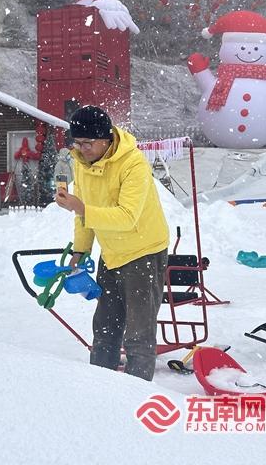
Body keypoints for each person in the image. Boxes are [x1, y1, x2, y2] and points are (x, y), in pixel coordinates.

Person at [55, 105, 170, 381]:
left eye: (88, 143)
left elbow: (127, 217)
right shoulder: (83, 164)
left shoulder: (133, 164)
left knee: (138, 333)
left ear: (106, 139)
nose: (82, 149)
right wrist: (81, 249)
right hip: (112, 253)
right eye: (77, 143)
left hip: (143, 252)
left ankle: (135, 393)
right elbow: (84, 216)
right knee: (105, 327)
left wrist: (81, 208)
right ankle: (101, 389)